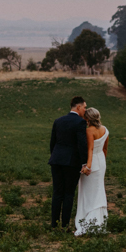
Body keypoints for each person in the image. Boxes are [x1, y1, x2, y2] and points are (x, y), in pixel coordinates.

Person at [48, 96, 89, 230]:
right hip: (71, 162)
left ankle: (54, 224)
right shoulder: (80, 123)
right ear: (78, 107)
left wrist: (55, 156)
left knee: (57, 192)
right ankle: (65, 225)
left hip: (56, 160)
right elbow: (82, 145)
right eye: (84, 107)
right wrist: (84, 163)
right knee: (68, 194)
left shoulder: (58, 121)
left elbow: (52, 143)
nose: (85, 110)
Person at [75, 106, 109, 235]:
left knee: (88, 192)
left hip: (92, 161)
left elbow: (90, 149)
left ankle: (88, 220)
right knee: (99, 189)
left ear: (87, 118)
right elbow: (105, 149)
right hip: (101, 160)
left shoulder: (89, 131)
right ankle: (100, 221)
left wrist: (88, 165)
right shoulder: (105, 130)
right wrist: (102, 162)